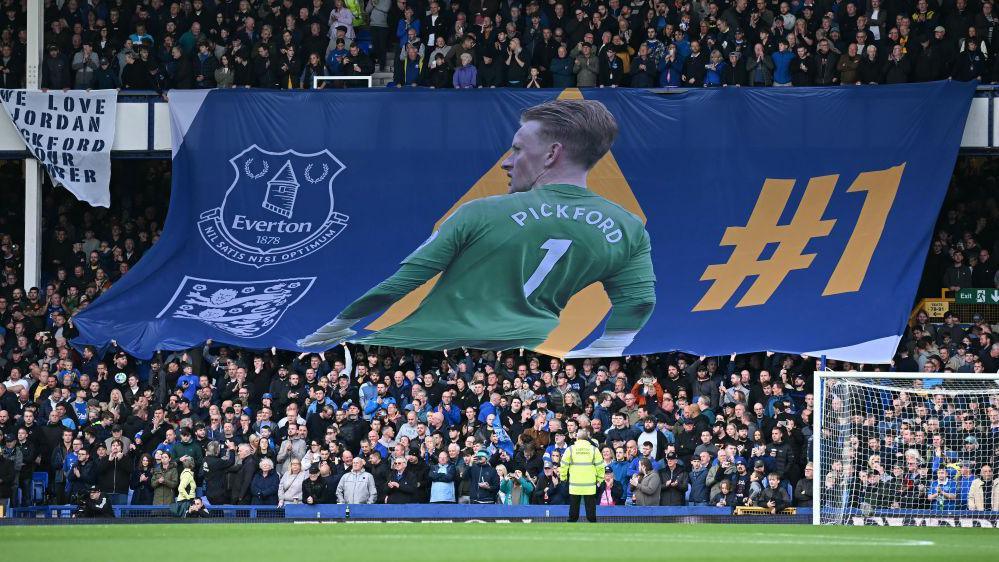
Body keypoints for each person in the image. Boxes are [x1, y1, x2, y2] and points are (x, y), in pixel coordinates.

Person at [299, 99, 656, 356]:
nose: (507, 161)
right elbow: (638, 302)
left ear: (551, 155)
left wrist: (337, 325)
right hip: (530, 342)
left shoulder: (480, 213)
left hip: (425, 344)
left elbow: (405, 282)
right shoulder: (628, 228)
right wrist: (601, 351)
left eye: (516, 149)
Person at [559, 428, 603, 522]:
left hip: (575, 483)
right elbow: (600, 466)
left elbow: (563, 465)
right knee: (590, 504)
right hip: (589, 483)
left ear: (577, 438)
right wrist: (600, 478)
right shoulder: (594, 449)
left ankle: (572, 520)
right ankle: (592, 521)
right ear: (587, 438)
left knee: (574, 504)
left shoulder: (570, 449)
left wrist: (563, 477)